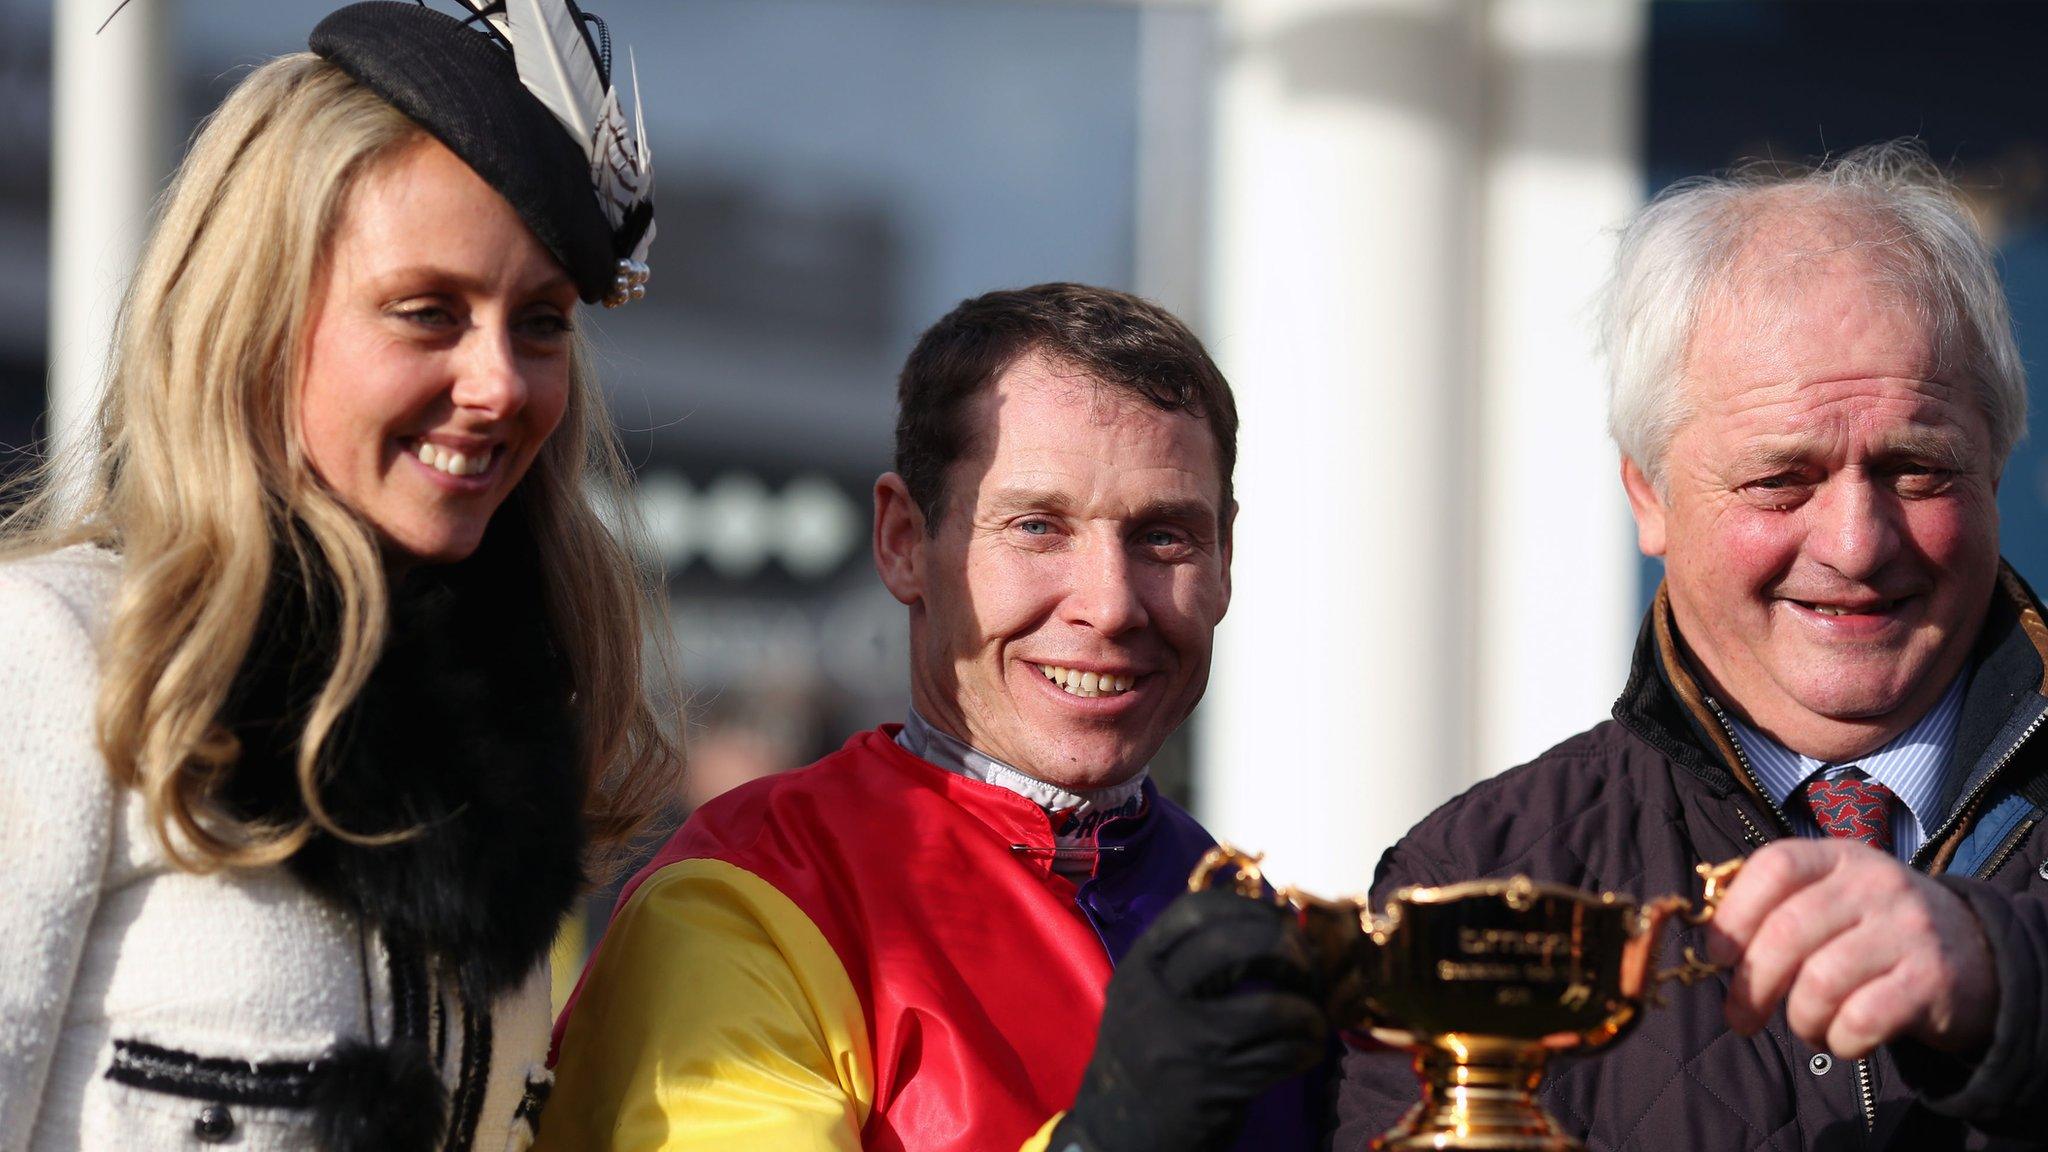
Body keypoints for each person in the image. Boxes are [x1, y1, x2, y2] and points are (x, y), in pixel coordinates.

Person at [0, 3, 674, 1149]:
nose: (500, 383)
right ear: (256, 321)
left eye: (541, 324)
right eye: (428, 313)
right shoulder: (55, 660)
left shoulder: (511, 745)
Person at [1335, 142, 2048, 1149]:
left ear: (1995, 457)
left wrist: (2003, 978)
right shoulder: (1478, 870)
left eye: (1914, 467)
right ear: (1647, 494)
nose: (1853, 544)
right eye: (1778, 480)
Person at [541, 283, 1329, 1152]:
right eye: (1037, 527)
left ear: (1225, 559)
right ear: (904, 543)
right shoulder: (746, 898)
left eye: (1165, 537)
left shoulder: (1248, 917)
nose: (1110, 606)